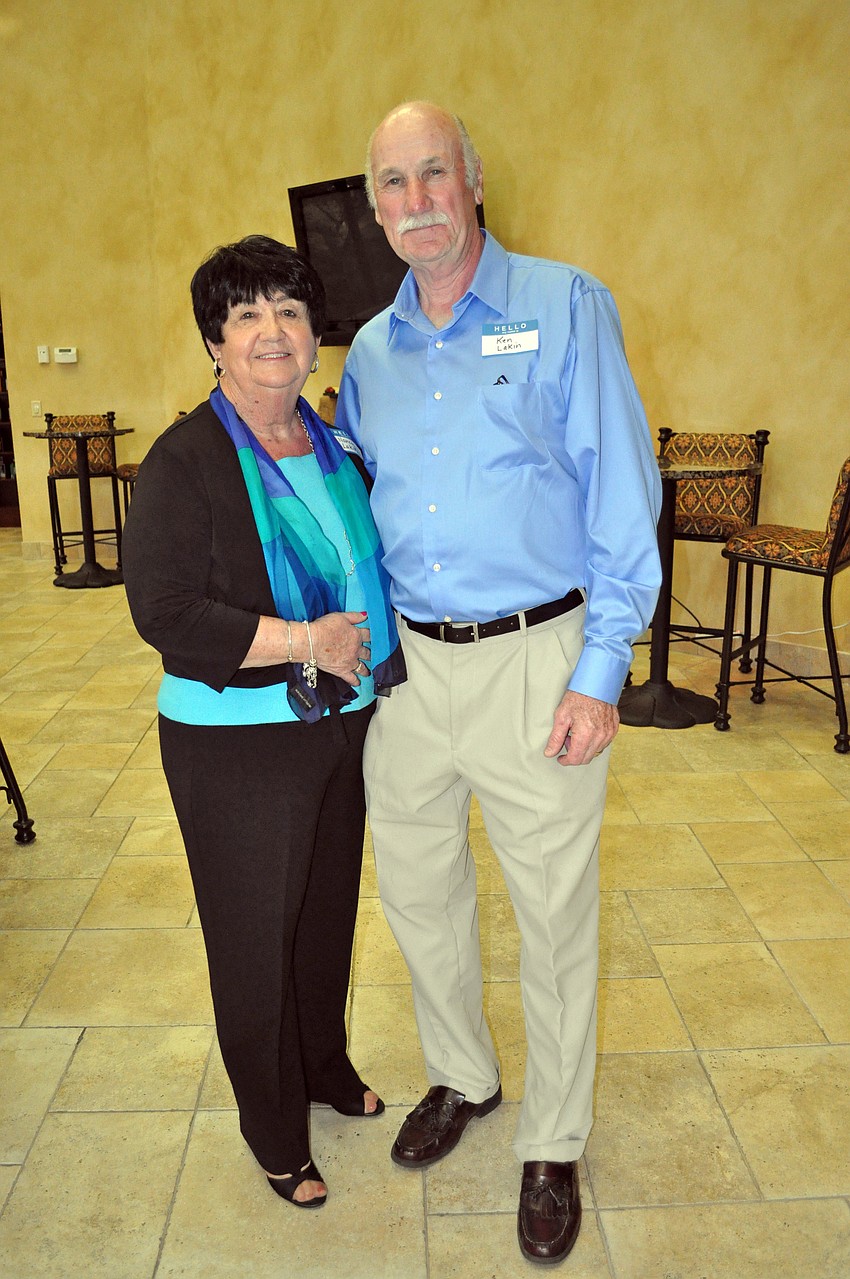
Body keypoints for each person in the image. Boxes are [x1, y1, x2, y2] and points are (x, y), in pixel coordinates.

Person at [336, 103, 662, 1264]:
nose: (415, 198)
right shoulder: (369, 353)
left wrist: (599, 673)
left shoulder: (564, 305)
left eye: (434, 173)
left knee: (554, 917)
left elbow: (624, 500)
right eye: (391, 182)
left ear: (473, 180)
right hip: (413, 673)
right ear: (372, 205)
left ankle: (556, 1139)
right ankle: (463, 1077)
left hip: (537, 660)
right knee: (420, 895)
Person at [122, 235, 405, 1208]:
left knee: (324, 917)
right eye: (245, 316)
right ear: (215, 342)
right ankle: (274, 1125)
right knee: (255, 936)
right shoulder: (186, 459)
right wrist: (300, 642)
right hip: (235, 739)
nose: (270, 332)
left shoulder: (331, 447)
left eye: (287, 309)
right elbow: (163, 612)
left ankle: (324, 1065)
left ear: (313, 336)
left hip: (341, 721)